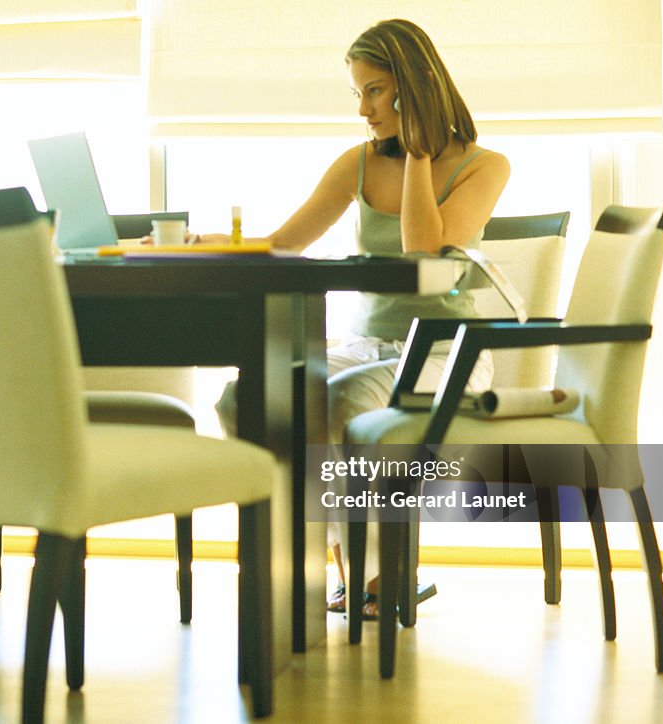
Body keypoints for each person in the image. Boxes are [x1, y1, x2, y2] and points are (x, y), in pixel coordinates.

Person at [207, 19, 510, 619]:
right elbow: (283, 244)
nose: (365, 109)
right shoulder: (359, 162)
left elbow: (426, 248)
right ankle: (302, 556)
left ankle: (376, 575)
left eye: (375, 90)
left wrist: (420, 151)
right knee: (241, 399)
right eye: (359, 93)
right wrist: (208, 243)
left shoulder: (485, 165)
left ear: (414, 86)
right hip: (368, 343)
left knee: (340, 405)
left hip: (446, 353)